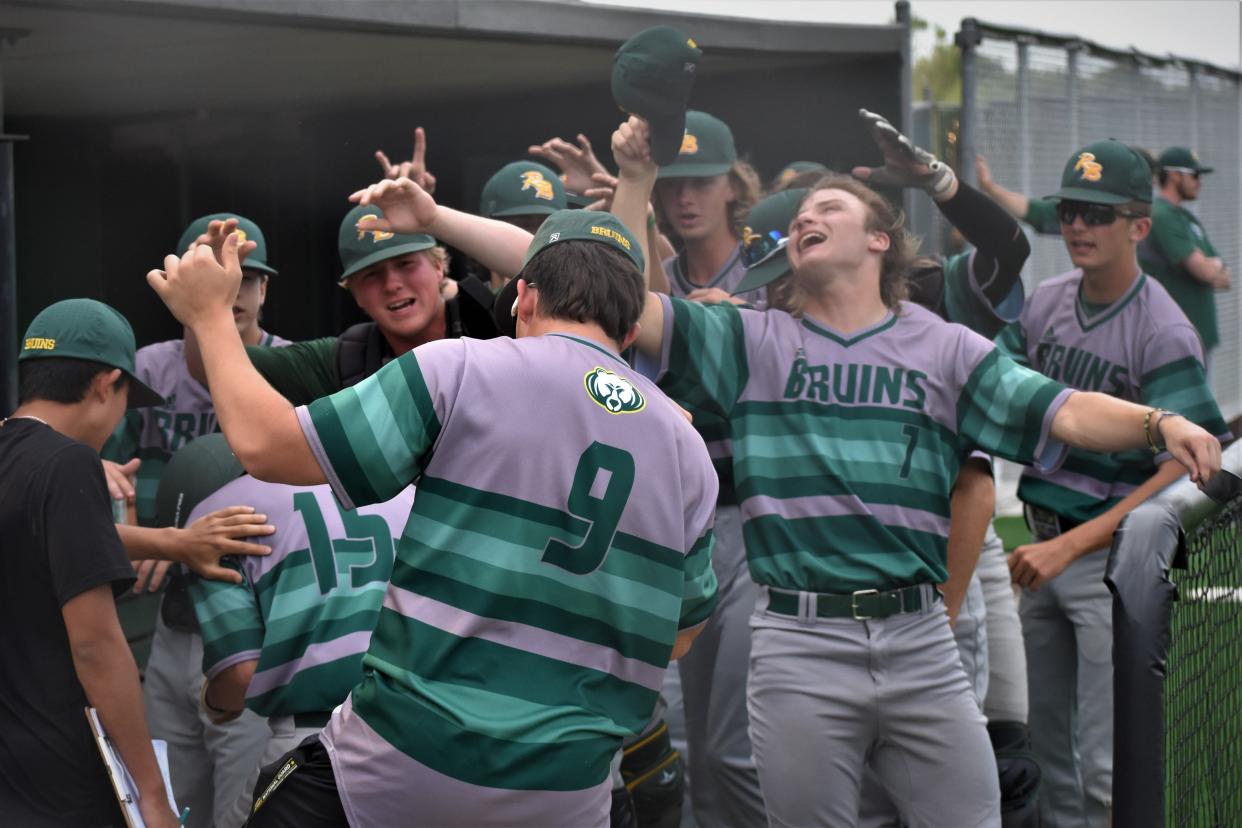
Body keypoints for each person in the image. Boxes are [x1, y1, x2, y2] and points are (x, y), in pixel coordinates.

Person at [604, 116, 1220, 827]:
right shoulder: (750, 340)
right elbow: (625, 304)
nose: (809, 214)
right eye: (801, 215)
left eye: (829, 207)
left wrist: (1160, 422)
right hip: (801, 640)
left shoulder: (945, 347)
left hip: (920, 636)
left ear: (879, 240)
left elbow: (1066, 413)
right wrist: (635, 180)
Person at [145, 203, 720, 828]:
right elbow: (678, 638)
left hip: (405, 765)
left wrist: (207, 316)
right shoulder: (687, 448)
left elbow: (263, 445)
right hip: (571, 790)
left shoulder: (463, 366)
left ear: (523, 298)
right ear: (632, 327)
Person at [996, 139, 1230, 827]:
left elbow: (1183, 469)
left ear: (1139, 225)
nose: (1078, 227)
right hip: (1040, 548)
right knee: (1046, 759)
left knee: (1106, 770)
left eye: (1099, 214)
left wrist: (1073, 547)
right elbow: (994, 387)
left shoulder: (1162, 327)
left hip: (1111, 565)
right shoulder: (1044, 302)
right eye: (1070, 209)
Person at [0, 298, 253, 828]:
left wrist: (171, 542)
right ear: (104, 384)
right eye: (124, 400)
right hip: (58, 772)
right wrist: (152, 793)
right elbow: (96, 646)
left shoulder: (13, 456)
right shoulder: (69, 463)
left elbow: (49, 538)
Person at [101, 212, 290, 828]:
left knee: (245, 810)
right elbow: (52, 455)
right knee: (169, 804)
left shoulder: (295, 369)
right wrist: (93, 474)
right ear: (176, 288)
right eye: (212, 276)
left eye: (245, 278)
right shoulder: (141, 372)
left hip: (259, 620)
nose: (229, 293)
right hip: (169, 616)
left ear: (264, 289)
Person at [141, 434, 414, 827]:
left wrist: (216, 700)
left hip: (313, 740)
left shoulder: (219, 516)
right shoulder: (403, 492)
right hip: (425, 735)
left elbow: (240, 678)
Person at [241, 203, 500, 405]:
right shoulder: (349, 358)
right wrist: (207, 303)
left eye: (405, 264)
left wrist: (435, 218)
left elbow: (537, 265)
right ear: (355, 294)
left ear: (438, 267)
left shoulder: (494, 322)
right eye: (371, 274)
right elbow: (231, 361)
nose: (391, 284)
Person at [1140, 146, 1231, 366]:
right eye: (1194, 175)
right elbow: (1204, 270)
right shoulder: (1161, 216)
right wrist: (1209, 266)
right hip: (1177, 342)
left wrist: (1211, 265)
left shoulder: (1186, 218)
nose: (1199, 182)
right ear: (1173, 176)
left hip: (1198, 338)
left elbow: (1225, 278)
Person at [472, 159, 569, 291]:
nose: (533, 237)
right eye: (523, 225)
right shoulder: (465, 307)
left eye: (547, 227)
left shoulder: (571, 305)